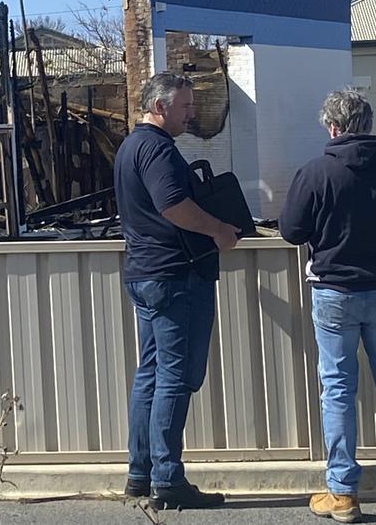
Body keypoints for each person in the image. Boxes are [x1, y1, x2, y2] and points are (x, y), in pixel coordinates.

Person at [279, 89, 376, 523]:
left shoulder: (316, 172)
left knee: (338, 389)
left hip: (334, 293)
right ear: (369, 123)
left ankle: (342, 494)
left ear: (333, 126)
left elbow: (291, 230)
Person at [114, 71, 239, 511]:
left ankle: (140, 471)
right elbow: (173, 205)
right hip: (175, 275)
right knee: (174, 377)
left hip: (145, 273)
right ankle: (167, 478)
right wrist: (221, 229)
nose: (192, 114)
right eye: (185, 107)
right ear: (160, 106)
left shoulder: (131, 146)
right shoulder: (158, 150)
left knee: (150, 374)